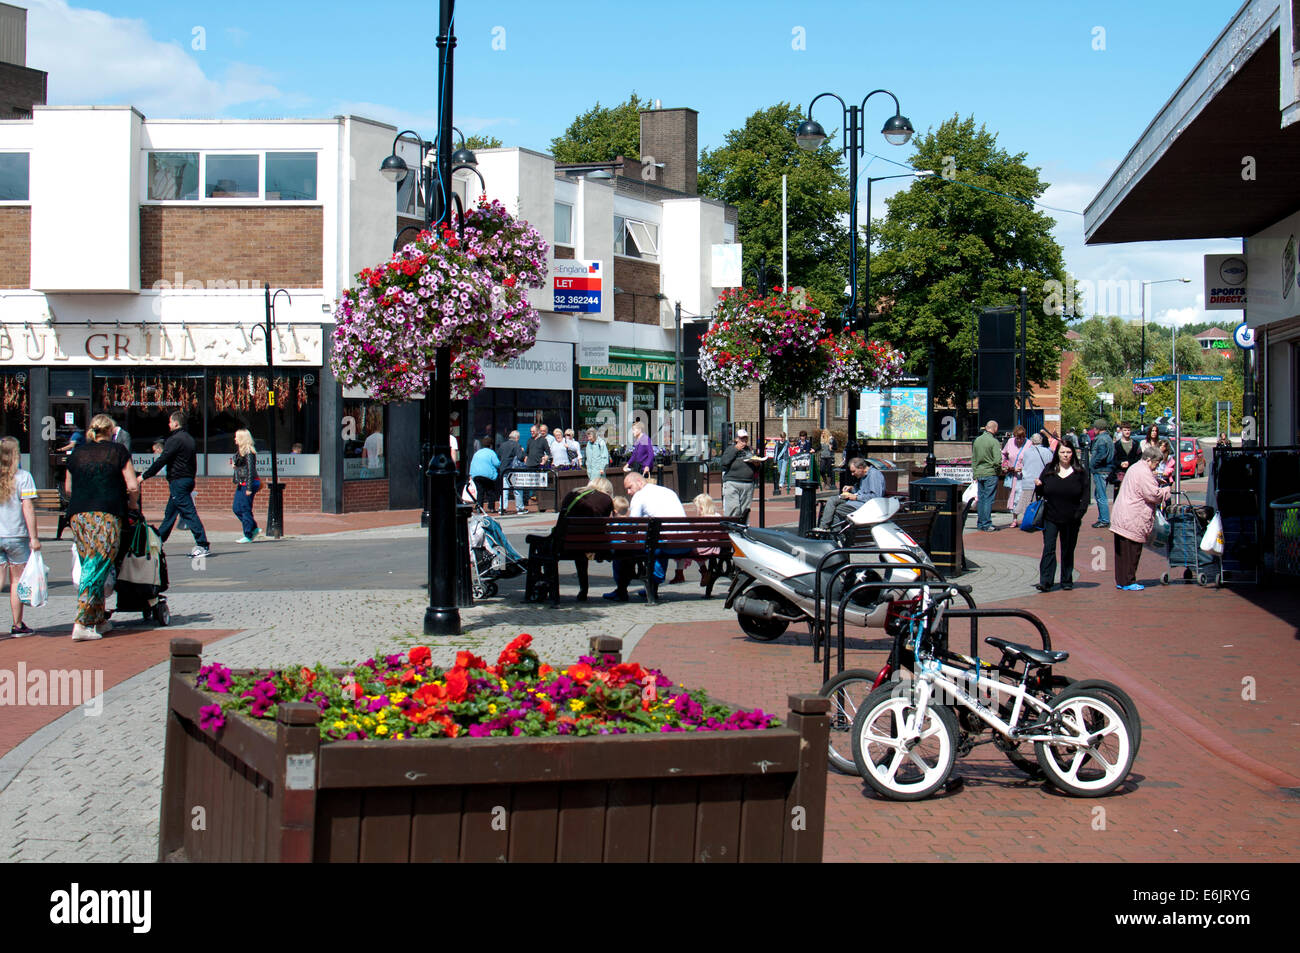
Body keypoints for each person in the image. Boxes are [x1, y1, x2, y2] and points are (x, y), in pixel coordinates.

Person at [65, 414, 139, 641]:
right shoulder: (118, 452)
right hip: (106, 513)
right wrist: (132, 505)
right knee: (98, 565)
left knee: (91, 562)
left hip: (78, 515)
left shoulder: (77, 453)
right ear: (111, 431)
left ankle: (99, 619)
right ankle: (82, 622)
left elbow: (68, 488)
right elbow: (133, 485)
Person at [605, 471, 686, 605]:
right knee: (656, 544)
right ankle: (653, 587)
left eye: (630, 487)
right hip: (683, 544)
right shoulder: (668, 491)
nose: (629, 492)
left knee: (623, 548)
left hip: (663, 544)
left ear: (640, 482)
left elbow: (633, 526)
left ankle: (621, 589)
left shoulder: (640, 496)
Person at [140, 411, 210, 558]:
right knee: (170, 514)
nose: (169, 424)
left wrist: (144, 476)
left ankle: (202, 544)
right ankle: (157, 542)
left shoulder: (174, 440)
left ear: (176, 423)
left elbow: (162, 460)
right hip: (186, 480)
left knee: (189, 513)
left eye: (170, 422)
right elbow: (192, 462)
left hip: (178, 482)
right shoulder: (189, 439)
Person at [1110, 443, 1172, 591]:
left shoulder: (1135, 467)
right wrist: (1166, 491)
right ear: (1149, 460)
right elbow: (1152, 495)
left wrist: (1155, 481)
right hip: (1133, 516)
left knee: (1121, 552)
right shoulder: (1144, 471)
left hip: (1122, 515)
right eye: (1156, 463)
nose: (1156, 467)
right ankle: (1129, 580)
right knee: (1132, 551)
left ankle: (1122, 580)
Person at [1032, 442, 1091, 591]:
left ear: (1073, 454)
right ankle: (1046, 581)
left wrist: (1079, 514)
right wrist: (1038, 486)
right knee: (1049, 548)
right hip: (1050, 516)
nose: (1065, 455)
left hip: (1071, 518)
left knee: (1067, 549)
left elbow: (1085, 497)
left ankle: (1066, 580)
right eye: (1062, 452)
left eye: (1068, 452)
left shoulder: (1080, 472)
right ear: (1057, 453)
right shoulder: (1049, 469)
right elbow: (1041, 493)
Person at [0, 436, 41, 636]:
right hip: (16, 534)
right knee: (16, 581)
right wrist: (34, 537)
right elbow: (28, 509)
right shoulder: (23, 477)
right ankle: (17, 625)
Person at [557, 476, 615, 601]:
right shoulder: (606, 499)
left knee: (578, 551)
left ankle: (581, 589)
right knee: (583, 548)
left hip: (568, 543)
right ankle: (622, 589)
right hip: (596, 544)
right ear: (607, 490)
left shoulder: (573, 493)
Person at [670, 493, 722, 587]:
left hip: (705, 548)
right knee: (689, 547)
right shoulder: (718, 517)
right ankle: (686, 573)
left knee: (684, 548)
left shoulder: (703, 520)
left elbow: (693, 533)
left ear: (701, 508)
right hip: (715, 547)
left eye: (696, 508)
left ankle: (681, 573)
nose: (696, 510)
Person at [818, 457, 885, 529]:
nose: (852, 474)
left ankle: (834, 536)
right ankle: (822, 528)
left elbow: (876, 497)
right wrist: (851, 488)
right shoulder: (863, 476)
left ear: (861, 468)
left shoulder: (874, 475)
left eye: (854, 471)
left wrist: (855, 497)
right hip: (855, 501)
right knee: (832, 500)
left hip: (863, 505)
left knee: (838, 510)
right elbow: (860, 490)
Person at [1011, 433, 1053, 529]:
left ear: (1031, 441)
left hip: (1028, 481)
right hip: (1042, 481)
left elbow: (1024, 464)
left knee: (1024, 501)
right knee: (1039, 502)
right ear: (1041, 440)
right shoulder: (1047, 451)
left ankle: (1016, 519)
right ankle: (1037, 520)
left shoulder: (1026, 452)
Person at [719, 428, 762, 519]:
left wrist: (757, 464)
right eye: (742, 439)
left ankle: (743, 530)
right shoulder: (730, 449)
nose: (744, 441)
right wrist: (735, 450)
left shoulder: (750, 450)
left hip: (748, 483)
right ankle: (731, 530)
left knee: (745, 511)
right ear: (736, 439)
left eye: (745, 438)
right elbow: (724, 462)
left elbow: (758, 468)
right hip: (732, 482)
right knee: (733, 509)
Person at [231, 428, 261, 543]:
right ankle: (253, 528)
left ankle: (248, 534)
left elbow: (250, 471)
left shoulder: (249, 453)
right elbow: (240, 466)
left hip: (248, 483)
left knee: (244, 508)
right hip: (241, 482)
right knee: (236, 508)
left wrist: (248, 488)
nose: (235, 439)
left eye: (236, 437)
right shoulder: (240, 452)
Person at [971, 420, 1000, 532]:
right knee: (988, 499)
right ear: (995, 428)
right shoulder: (994, 442)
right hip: (990, 473)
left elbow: (974, 458)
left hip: (980, 473)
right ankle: (987, 524)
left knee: (981, 499)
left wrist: (975, 473)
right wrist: (997, 471)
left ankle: (981, 523)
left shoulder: (977, 441)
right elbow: (997, 460)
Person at [1088, 417, 1114, 528]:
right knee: (1099, 494)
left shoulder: (1101, 439)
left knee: (1101, 495)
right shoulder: (1108, 438)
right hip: (1106, 469)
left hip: (1101, 470)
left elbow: (1101, 455)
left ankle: (1104, 519)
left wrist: (1092, 464)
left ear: (1098, 428)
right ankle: (1102, 518)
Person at [1000, 425, 1030, 515]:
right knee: (1013, 495)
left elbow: (1031, 458)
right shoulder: (1010, 442)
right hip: (1012, 474)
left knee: (1021, 496)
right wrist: (1005, 465)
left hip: (1024, 475)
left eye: (1022, 438)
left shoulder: (1029, 443)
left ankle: (1024, 516)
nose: (1020, 440)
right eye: (1018, 438)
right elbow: (1003, 454)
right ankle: (1014, 517)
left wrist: (1024, 468)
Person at [1111, 422, 1142, 501]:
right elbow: (1113, 459)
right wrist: (1120, 463)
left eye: (1128, 430)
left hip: (1133, 472)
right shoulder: (1116, 445)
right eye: (1125, 430)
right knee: (1119, 496)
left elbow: (1139, 458)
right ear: (1121, 431)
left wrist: (1129, 463)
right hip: (1120, 473)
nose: (1127, 432)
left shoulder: (1136, 444)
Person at [469, 441, 502, 513]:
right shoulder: (491, 453)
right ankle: (491, 508)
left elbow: (472, 463)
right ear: (490, 445)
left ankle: (479, 508)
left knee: (480, 492)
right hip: (487, 474)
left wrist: (471, 474)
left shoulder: (477, 453)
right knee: (490, 491)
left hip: (476, 474)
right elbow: (497, 463)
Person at [497, 429, 524, 514]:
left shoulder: (502, 445)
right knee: (517, 489)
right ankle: (519, 508)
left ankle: (502, 507)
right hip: (513, 470)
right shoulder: (516, 445)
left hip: (503, 469)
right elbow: (520, 457)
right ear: (517, 438)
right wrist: (522, 452)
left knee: (504, 490)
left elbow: (498, 456)